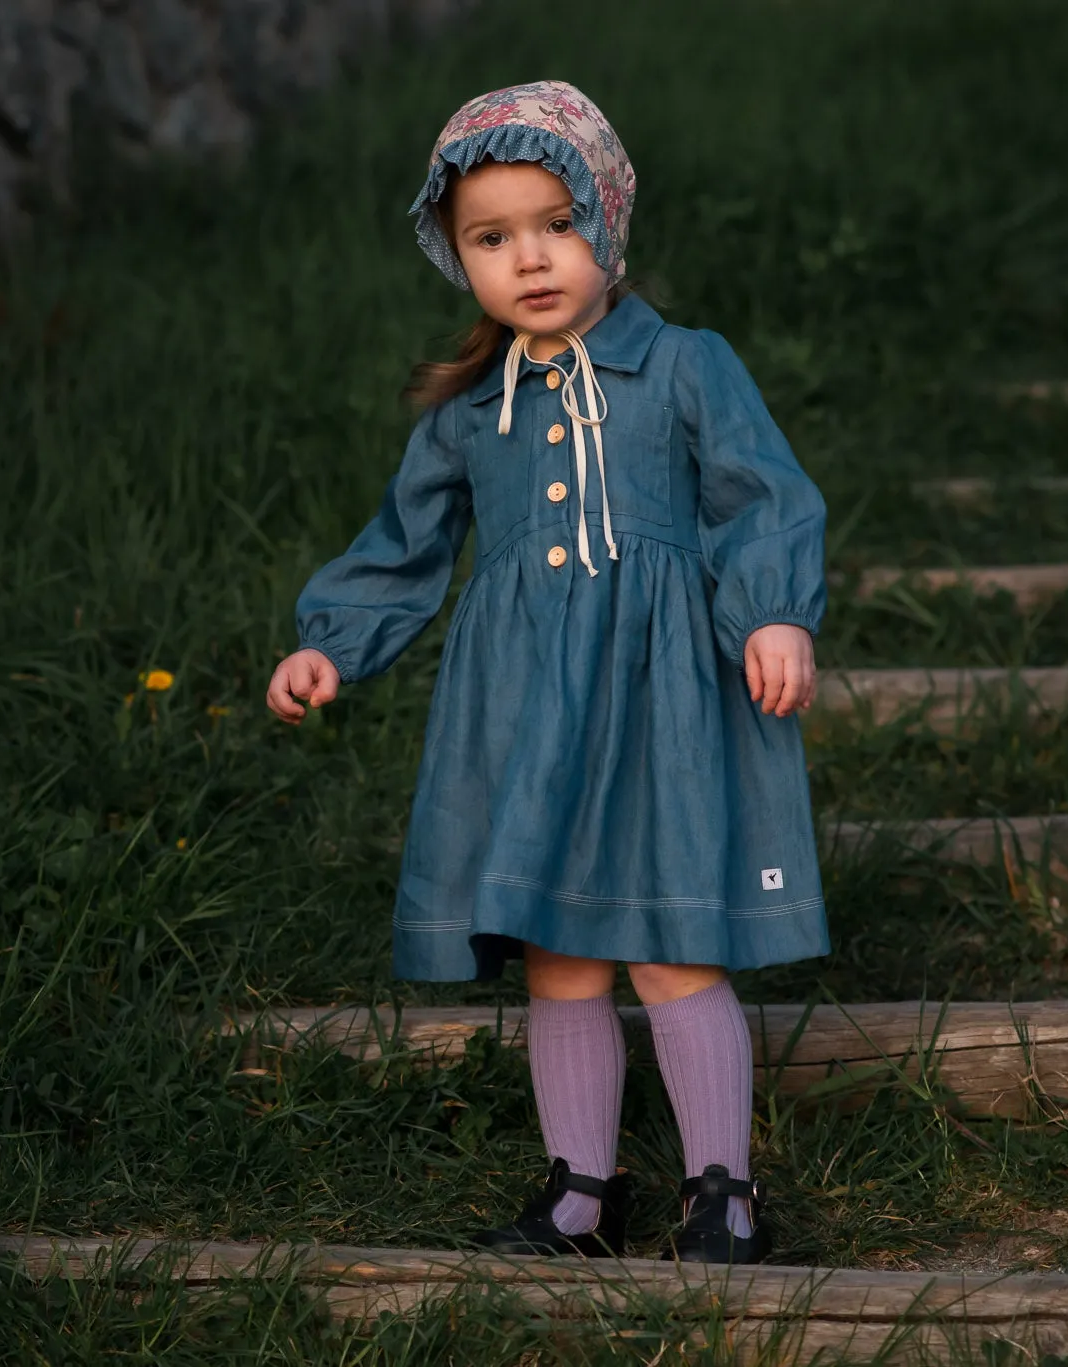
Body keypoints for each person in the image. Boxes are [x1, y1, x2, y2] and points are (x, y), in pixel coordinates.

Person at [265, 81, 828, 1265]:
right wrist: (333, 638)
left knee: (672, 941)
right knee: (561, 957)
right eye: (490, 237)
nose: (528, 258)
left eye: (553, 224)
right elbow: (405, 542)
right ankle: (582, 1194)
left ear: (607, 226)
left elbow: (757, 495)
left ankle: (722, 1190)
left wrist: (772, 614)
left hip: (662, 699)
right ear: (452, 253)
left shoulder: (682, 364)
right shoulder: (473, 410)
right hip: (524, 713)